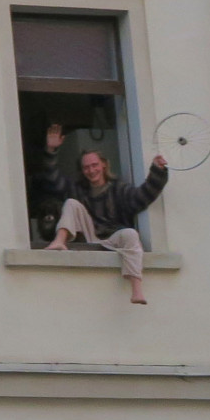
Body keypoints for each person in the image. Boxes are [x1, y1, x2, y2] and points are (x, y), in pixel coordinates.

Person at [41, 123, 168, 305]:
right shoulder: (80, 191)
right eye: (86, 167)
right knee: (70, 203)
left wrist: (158, 171)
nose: (91, 171)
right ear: (82, 171)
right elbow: (54, 180)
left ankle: (136, 289)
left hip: (114, 239)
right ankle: (60, 241)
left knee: (131, 234)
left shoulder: (119, 190)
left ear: (104, 165)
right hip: (90, 237)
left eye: (94, 165)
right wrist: (51, 150)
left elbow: (144, 195)